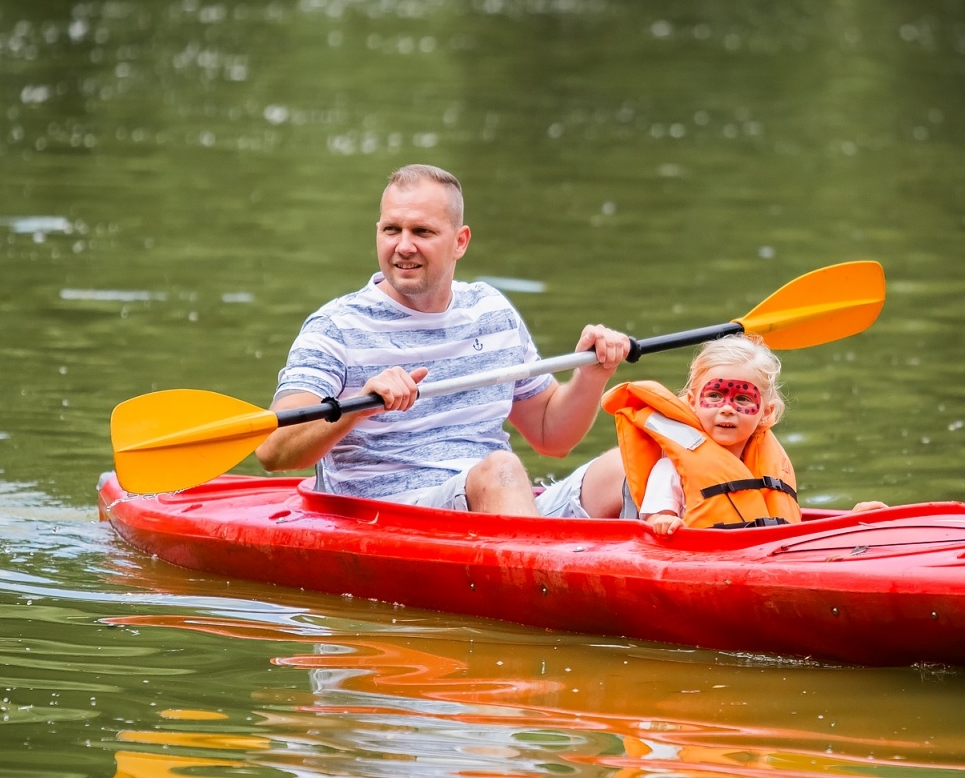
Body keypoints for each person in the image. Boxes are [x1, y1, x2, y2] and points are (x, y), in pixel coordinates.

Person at [255, 164, 630, 516]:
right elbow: (274, 450)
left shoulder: (490, 310)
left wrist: (593, 373)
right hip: (394, 518)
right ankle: (543, 575)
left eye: (422, 232)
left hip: (500, 500)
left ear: (460, 241)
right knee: (501, 470)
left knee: (630, 463)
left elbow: (552, 436)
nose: (403, 246)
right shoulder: (335, 326)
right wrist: (358, 405)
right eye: (391, 230)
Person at [570, 335, 888, 533]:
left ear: (767, 412)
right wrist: (665, 521)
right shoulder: (671, 469)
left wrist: (848, 524)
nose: (727, 409)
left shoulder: (764, 468)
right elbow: (656, 518)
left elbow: (783, 532)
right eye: (715, 397)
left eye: (742, 399)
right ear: (692, 402)